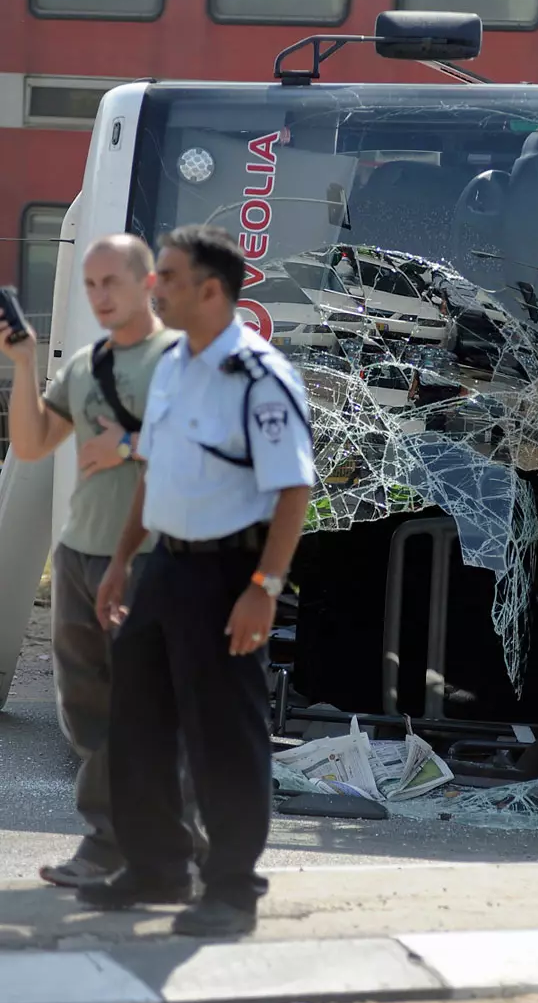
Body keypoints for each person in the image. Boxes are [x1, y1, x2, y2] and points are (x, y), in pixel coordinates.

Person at [82, 225, 315, 937]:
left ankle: (231, 888)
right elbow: (154, 473)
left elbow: (292, 491)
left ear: (211, 289)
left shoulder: (260, 375)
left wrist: (264, 587)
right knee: (138, 722)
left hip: (227, 573)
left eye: (170, 276)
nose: (155, 286)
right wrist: (123, 560)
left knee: (222, 735)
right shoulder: (175, 364)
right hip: (163, 567)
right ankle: (157, 866)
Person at [0, 234, 204, 887]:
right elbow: (32, 445)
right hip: (79, 551)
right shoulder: (86, 364)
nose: (99, 296)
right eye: (90, 285)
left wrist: (127, 446)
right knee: (88, 711)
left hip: (153, 555)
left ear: (147, 284)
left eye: (111, 281)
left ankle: (170, 848)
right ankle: (111, 842)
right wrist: (25, 362)